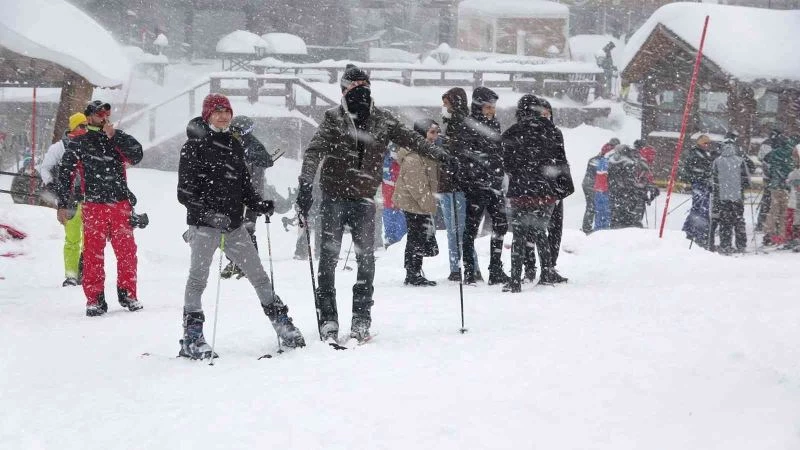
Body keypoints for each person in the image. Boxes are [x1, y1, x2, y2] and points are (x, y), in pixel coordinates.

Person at [294, 64, 449, 343]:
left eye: (365, 85)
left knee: (366, 260)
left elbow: (412, 139)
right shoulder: (333, 119)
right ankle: (328, 319)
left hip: (364, 199)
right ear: (344, 90)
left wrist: (439, 154)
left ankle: (361, 318)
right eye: (355, 86)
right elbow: (314, 152)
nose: (360, 91)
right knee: (327, 261)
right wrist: (306, 183)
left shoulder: (383, 119)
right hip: (333, 197)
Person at [177, 94, 304, 359]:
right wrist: (210, 215)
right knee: (198, 278)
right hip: (203, 225)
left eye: (227, 112)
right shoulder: (193, 147)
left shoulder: (234, 144)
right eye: (217, 112)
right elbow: (185, 193)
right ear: (207, 115)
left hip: (234, 225)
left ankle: (283, 325)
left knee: (258, 275)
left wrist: (259, 204)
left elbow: (243, 186)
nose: (223, 116)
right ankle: (192, 338)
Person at [55, 100, 143, 316]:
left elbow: (137, 155)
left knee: (127, 253)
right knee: (93, 254)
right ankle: (94, 299)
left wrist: (116, 136)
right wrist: (63, 204)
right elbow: (66, 173)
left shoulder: (116, 138)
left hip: (120, 204)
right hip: (93, 205)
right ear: (89, 117)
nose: (104, 117)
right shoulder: (80, 142)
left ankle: (128, 294)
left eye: (107, 113)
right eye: (99, 114)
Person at [501, 95, 572, 293]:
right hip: (545, 190)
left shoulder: (513, 132)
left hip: (520, 191)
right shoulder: (553, 132)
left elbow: (506, 163)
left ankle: (515, 280)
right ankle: (547, 272)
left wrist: (519, 173)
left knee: (519, 235)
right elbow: (561, 161)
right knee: (541, 231)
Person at [219, 115, 280, 279]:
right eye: (232, 129)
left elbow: (267, 161)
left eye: (237, 130)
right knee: (230, 230)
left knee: (247, 230)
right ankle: (234, 262)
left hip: (252, 196)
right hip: (233, 195)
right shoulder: (230, 143)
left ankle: (251, 264)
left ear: (245, 132)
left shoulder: (254, 146)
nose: (233, 133)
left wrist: (248, 155)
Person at [460, 87, 509, 285]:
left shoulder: (494, 124)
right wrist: (475, 179)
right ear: (479, 106)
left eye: (494, 107)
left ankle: (495, 269)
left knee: (500, 225)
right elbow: (466, 156)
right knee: (471, 228)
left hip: (494, 184)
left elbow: (497, 153)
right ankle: (469, 271)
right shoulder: (468, 126)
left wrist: (499, 175)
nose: (492, 110)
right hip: (476, 186)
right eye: (488, 107)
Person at [438, 87, 481, 282]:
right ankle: (465, 266)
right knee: (460, 230)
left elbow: (457, 155)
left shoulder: (457, 125)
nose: (443, 107)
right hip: (455, 184)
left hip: (455, 185)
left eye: (446, 103)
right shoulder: (457, 123)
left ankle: (460, 267)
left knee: (457, 230)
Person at [41, 112, 87, 287]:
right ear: (73, 127)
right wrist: (52, 185)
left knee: (90, 240)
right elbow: (45, 168)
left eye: (85, 126)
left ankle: (85, 271)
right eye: (81, 126)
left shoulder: (91, 145)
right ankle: (71, 275)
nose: (84, 129)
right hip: (70, 199)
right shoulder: (58, 148)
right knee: (72, 239)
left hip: (90, 198)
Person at [392, 118, 441, 286]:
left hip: (418, 201)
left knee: (417, 236)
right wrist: (429, 205)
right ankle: (412, 272)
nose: (435, 136)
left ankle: (414, 271)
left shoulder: (425, 152)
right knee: (416, 236)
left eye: (436, 132)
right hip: (413, 202)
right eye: (432, 132)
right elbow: (417, 185)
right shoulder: (414, 156)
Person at [710, 133, 750, 254]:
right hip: (737, 197)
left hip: (723, 197)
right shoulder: (740, 161)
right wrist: (741, 186)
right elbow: (746, 179)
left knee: (725, 222)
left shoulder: (717, 161)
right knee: (739, 220)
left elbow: (713, 178)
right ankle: (741, 244)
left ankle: (725, 245)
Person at [679, 135, 718, 248]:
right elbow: (688, 171)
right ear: (699, 143)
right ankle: (694, 233)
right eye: (705, 143)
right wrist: (701, 177)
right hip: (699, 185)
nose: (707, 145)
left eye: (708, 144)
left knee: (701, 209)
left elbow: (708, 169)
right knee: (699, 209)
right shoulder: (694, 154)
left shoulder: (705, 154)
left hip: (705, 185)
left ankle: (691, 231)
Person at [608, 143, 654, 228]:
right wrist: (642, 188)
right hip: (626, 196)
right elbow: (630, 183)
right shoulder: (628, 164)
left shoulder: (612, 160)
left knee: (616, 218)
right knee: (629, 221)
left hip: (615, 194)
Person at [763, 129, 796, 246]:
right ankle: (781, 236)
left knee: (773, 210)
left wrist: (772, 172)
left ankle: (769, 233)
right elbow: (792, 169)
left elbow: (765, 159)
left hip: (775, 186)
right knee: (784, 213)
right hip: (786, 187)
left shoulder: (774, 152)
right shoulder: (791, 154)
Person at [381, 143, 407, 248]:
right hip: (388, 203)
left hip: (401, 205)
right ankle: (389, 247)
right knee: (389, 230)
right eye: (393, 150)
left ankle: (398, 249)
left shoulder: (405, 163)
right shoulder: (385, 162)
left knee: (400, 231)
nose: (395, 153)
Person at [593, 138, 619, 230]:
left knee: (599, 212)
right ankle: (604, 232)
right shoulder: (612, 159)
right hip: (606, 189)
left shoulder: (601, 158)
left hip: (598, 188)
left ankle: (597, 230)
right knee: (606, 212)